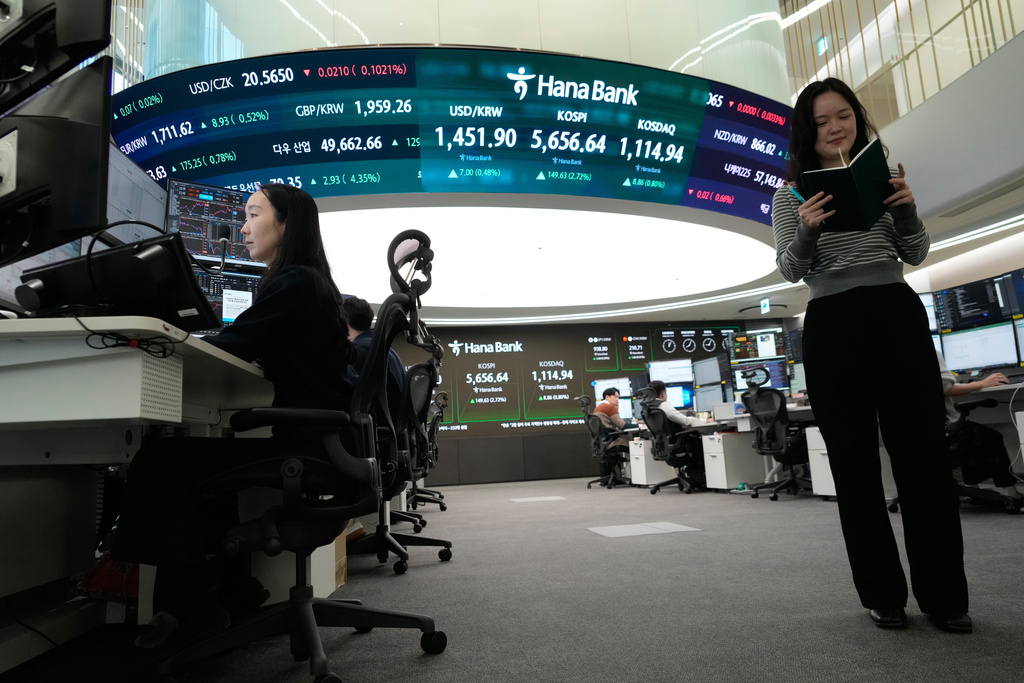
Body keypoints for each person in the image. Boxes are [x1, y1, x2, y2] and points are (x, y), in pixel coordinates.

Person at [111, 184, 358, 650]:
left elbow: (234, 343)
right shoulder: (313, 284)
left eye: (252, 214)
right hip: (326, 445)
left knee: (160, 461)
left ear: (286, 224)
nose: (242, 227)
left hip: (306, 447)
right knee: (202, 467)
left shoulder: (295, 282)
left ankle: (195, 608)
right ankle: (234, 588)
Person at [772, 78, 970, 633]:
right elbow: (791, 269)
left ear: (857, 119)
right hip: (833, 322)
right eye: (821, 122)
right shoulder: (788, 195)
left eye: (844, 116)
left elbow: (914, 252)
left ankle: (946, 598)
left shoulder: (882, 178)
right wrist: (809, 229)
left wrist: (906, 212)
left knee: (924, 458)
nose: (835, 128)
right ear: (806, 134)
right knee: (854, 465)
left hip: (895, 311)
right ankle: (883, 595)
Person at [937, 352, 1023, 503]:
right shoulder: (927, 350)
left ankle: (973, 490)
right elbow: (946, 388)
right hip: (942, 427)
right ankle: (1012, 493)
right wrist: (982, 383)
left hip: (915, 429)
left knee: (970, 434)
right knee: (989, 437)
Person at [343, 295, 407, 414]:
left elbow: (351, 397)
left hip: (377, 425)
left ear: (345, 322)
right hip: (392, 424)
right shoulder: (384, 349)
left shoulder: (359, 350)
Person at [647, 380, 714, 428]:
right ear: (663, 394)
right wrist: (706, 421)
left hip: (664, 442)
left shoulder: (649, 406)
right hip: (676, 440)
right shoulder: (663, 405)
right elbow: (686, 421)